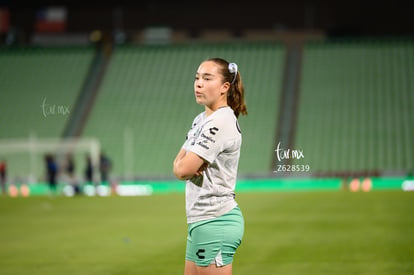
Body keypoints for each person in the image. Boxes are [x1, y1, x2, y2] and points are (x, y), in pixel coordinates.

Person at [173, 58, 248, 275]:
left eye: (207, 78)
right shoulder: (201, 120)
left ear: (225, 87)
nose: (198, 83)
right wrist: (182, 165)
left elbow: (183, 169)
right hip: (200, 220)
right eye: (197, 78)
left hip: (215, 220)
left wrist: (183, 166)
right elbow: (179, 164)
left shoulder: (220, 121)